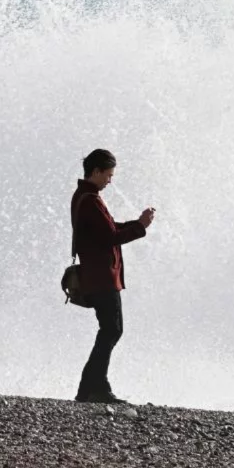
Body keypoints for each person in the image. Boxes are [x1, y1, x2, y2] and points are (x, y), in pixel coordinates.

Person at [71, 148, 156, 404]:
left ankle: (89, 389)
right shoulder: (90, 199)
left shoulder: (85, 196)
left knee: (109, 330)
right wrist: (141, 226)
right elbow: (111, 237)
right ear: (96, 171)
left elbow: (109, 229)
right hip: (102, 278)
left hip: (99, 277)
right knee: (112, 330)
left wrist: (137, 224)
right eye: (108, 174)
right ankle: (97, 388)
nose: (110, 180)